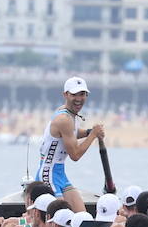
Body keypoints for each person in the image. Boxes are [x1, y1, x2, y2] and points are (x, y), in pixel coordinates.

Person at [35, 76, 104, 213]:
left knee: (82, 216)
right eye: (74, 94)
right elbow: (75, 155)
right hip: (48, 175)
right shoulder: (64, 119)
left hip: (60, 173)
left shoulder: (70, 113)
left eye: (82, 94)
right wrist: (93, 135)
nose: (79, 98)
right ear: (65, 95)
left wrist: (90, 131)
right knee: (62, 217)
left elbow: (73, 133)